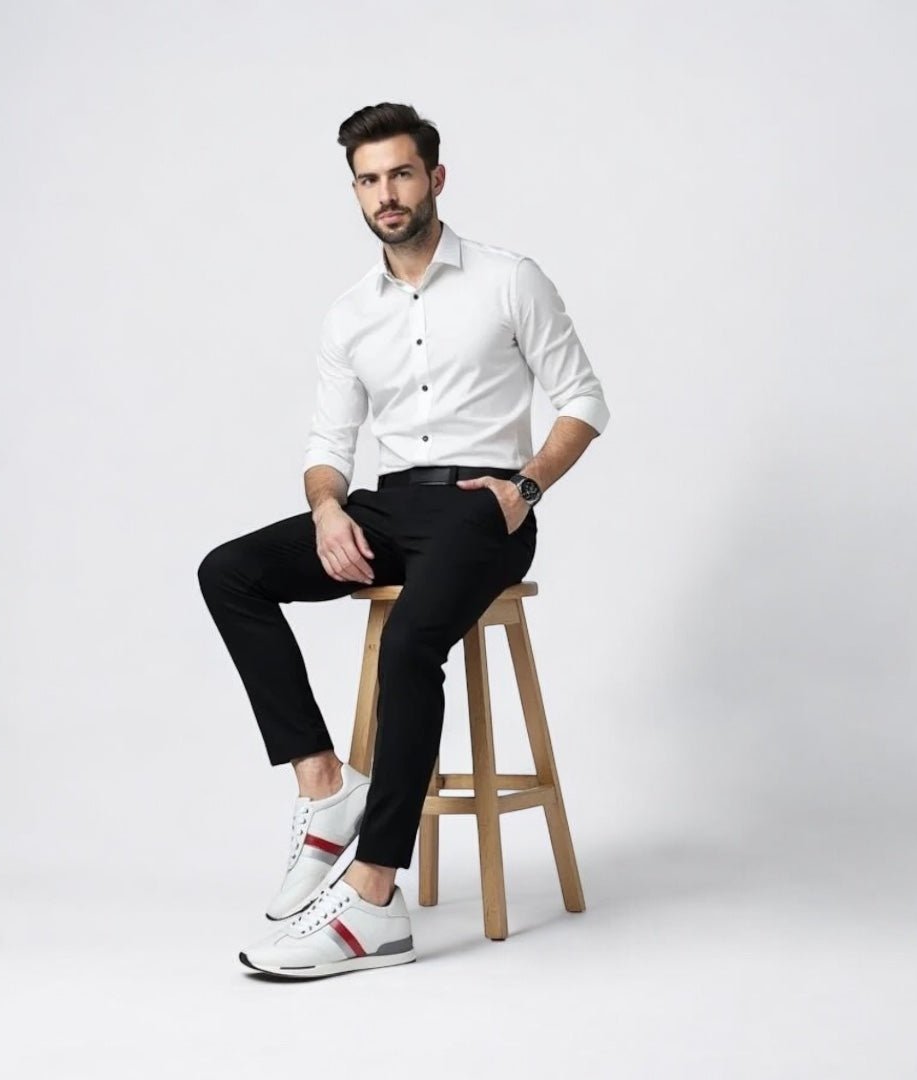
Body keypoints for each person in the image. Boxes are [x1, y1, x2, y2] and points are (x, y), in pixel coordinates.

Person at [197, 102, 610, 979]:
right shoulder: (349, 314)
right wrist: (328, 510)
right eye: (369, 179)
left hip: (484, 509)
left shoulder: (508, 279)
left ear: (435, 178)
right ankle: (325, 784)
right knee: (229, 572)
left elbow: (584, 401)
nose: (386, 193)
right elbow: (328, 446)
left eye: (401, 174)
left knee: (411, 643)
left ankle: (375, 898)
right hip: (387, 509)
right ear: (355, 190)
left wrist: (525, 488)